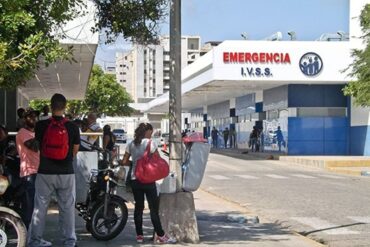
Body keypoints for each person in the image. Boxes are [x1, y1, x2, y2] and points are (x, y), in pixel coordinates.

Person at [28, 93, 80, 247]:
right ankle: (69, 241)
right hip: (66, 172)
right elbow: (75, 151)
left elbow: (39, 146)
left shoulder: (41, 125)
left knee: (40, 207)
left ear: (51, 106)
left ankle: (35, 240)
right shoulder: (72, 127)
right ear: (65, 107)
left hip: (45, 172)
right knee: (67, 208)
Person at [120, 123, 176, 244]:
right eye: (151, 131)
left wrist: (135, 164)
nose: (152, 134)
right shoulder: (151, 143)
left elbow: (124, 162)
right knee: (153, 209)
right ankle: (161, 236)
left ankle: (139, 236)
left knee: (138, 208)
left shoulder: (131, 144)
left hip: (135, 179)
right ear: (148, 131)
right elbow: (157, 160)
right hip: (148, 180)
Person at [16, 110, 39, 230]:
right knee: (29, 206)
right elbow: (34, 147)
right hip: (29, 173)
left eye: (36, 117)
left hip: (37, 172)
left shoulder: (35, 133)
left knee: (36, 206)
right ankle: (27, 235)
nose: (34, 119)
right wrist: (42, 134)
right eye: (31, 117)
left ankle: (33, 235)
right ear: (25, 119)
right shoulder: (22, 132)